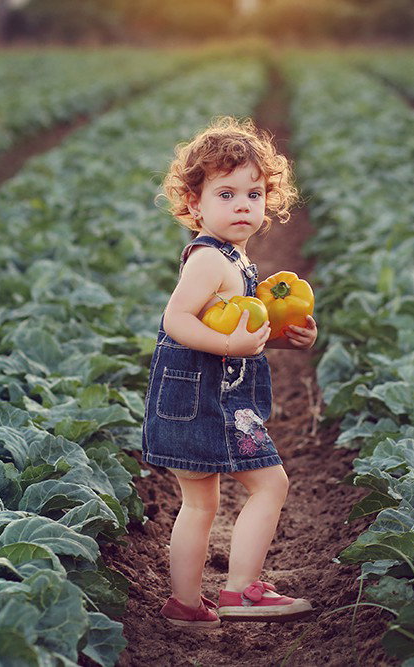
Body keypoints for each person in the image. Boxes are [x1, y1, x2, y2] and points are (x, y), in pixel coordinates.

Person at [142, 117, 317, 630]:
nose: (244, 204)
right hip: (205, 401)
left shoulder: (236, 258)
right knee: (270, 485)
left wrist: (285, 337)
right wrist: (227, 344)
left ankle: (186, 605)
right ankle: (242, 590)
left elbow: (240, 329)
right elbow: (176, 320)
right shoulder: (208, 261)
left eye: (255, 193)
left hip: (199, 397)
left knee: (200, 503)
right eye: (226, 193)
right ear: (194, 204)